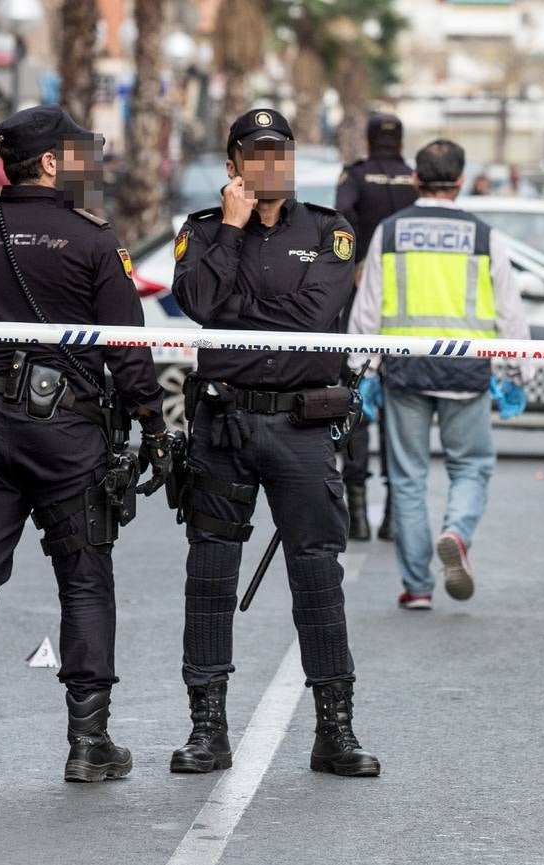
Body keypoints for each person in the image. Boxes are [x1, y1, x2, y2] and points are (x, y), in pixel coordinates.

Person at [0, 106, 174, 785]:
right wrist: (153, 420)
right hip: (67, 433)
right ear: (53, 163)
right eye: (80, 153)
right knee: (85, 582)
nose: (90, 164)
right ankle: (89, 745)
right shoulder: (90, 239)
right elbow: (126, 344)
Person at [169, 108, 380, 778]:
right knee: (209, 578)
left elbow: (312, 317)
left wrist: (240, 308)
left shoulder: (330, 231)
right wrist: (230, 234)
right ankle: (207, 729)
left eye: (279, 152)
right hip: (222, 423)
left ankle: (334, 730)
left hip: (301, 425)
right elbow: (200, 303)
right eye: (254, 154)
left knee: (317, 575)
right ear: (232, 164)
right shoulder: (202, 231)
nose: (269, 164)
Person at [347, 139, 531, 611]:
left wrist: (360, 372)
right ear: (462, 180)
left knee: (407, 478)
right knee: (470, 465)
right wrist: (517, 372)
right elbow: (510, 312)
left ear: (416, 179)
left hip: (404, 370)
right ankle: (456, 530)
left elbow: (367, 308)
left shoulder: (389, 232)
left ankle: (417, 587)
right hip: (466, 371)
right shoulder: (484, 237)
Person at [335, 112, 419, 541]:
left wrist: (354, 263)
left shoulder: (355, 175)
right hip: (407, 306)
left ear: (368, 141)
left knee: (356, 405)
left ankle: (358, 511)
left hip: (360, 296)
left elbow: (339, 221)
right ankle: (394, 515)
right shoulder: (414, 179)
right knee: (399, 407)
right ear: (401, 142)